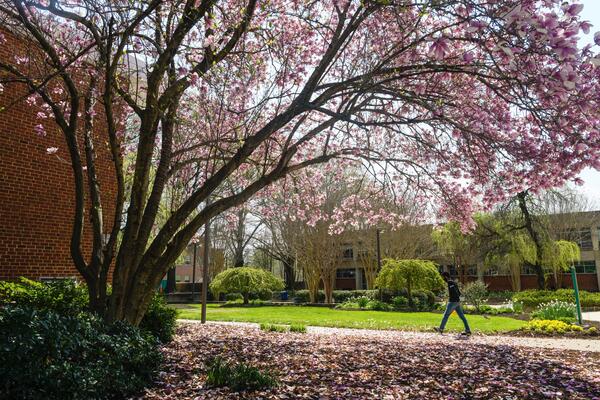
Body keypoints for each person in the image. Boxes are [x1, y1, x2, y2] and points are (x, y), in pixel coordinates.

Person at [435, 271, 471, 336]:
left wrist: (455, 299)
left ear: (445, 277)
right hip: (457, 302)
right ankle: (468, 330)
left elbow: (454, 292)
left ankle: (441, 329)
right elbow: (459, 293)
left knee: (446, 315)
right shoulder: (454, 282)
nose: (443, 279)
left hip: (452, 302)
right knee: (462, 317)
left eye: (443, 277)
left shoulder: (450, 283)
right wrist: (460, 299)